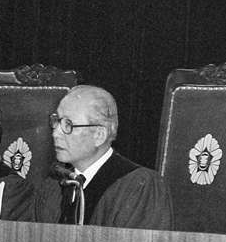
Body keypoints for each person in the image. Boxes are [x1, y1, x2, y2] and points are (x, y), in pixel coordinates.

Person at [27, 85, 173, 228]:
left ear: (99, 135)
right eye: (56, 121)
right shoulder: (53, 186)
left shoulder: (139, 187)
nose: (56, 133)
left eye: (68, 124)